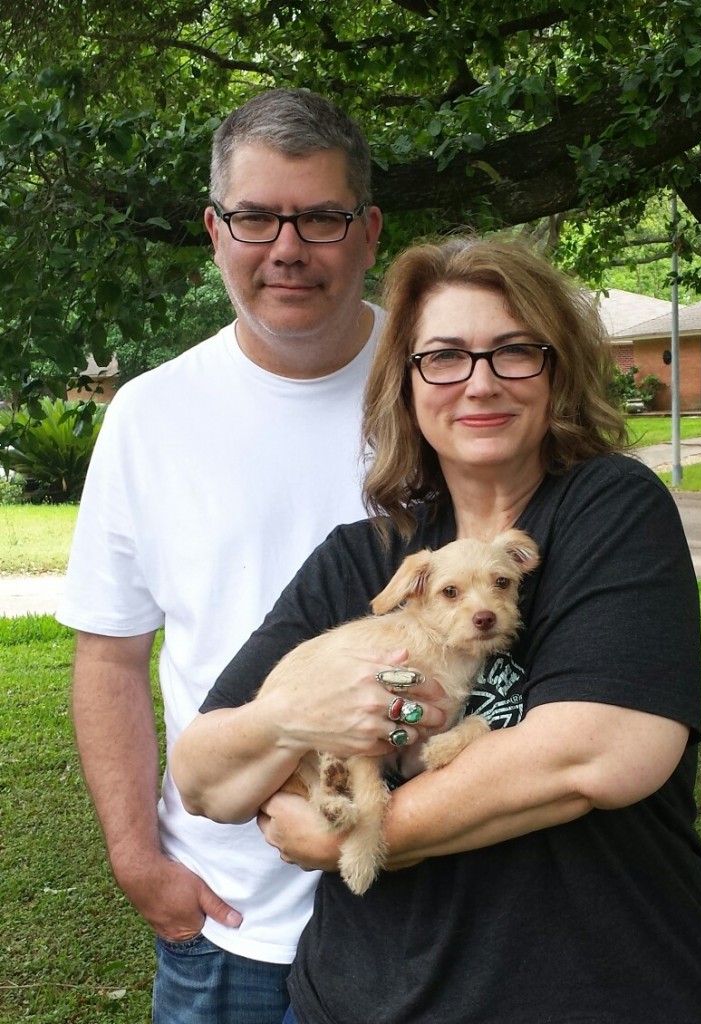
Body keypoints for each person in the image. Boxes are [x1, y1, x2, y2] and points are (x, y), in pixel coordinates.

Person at [173, 236, 701, 1023]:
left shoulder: (608, 508)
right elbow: (206, 777)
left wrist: (352, 835)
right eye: (443, 357)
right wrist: (289, 716)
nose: (479, 382)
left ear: (558, 372)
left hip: (605, 995)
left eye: (514, 352)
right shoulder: (363, 557)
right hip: (363, 1000)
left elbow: (600, 755)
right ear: (406, 384)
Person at [56, 88, 445, 1024]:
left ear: (368, 230)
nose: (288, 247)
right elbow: (110, 656)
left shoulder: (445, 383)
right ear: (215, 230)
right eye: (257, 216)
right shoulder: (150, 416)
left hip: (434, 894)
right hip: (231, 926)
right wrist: (137, 859)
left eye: (319, 216)